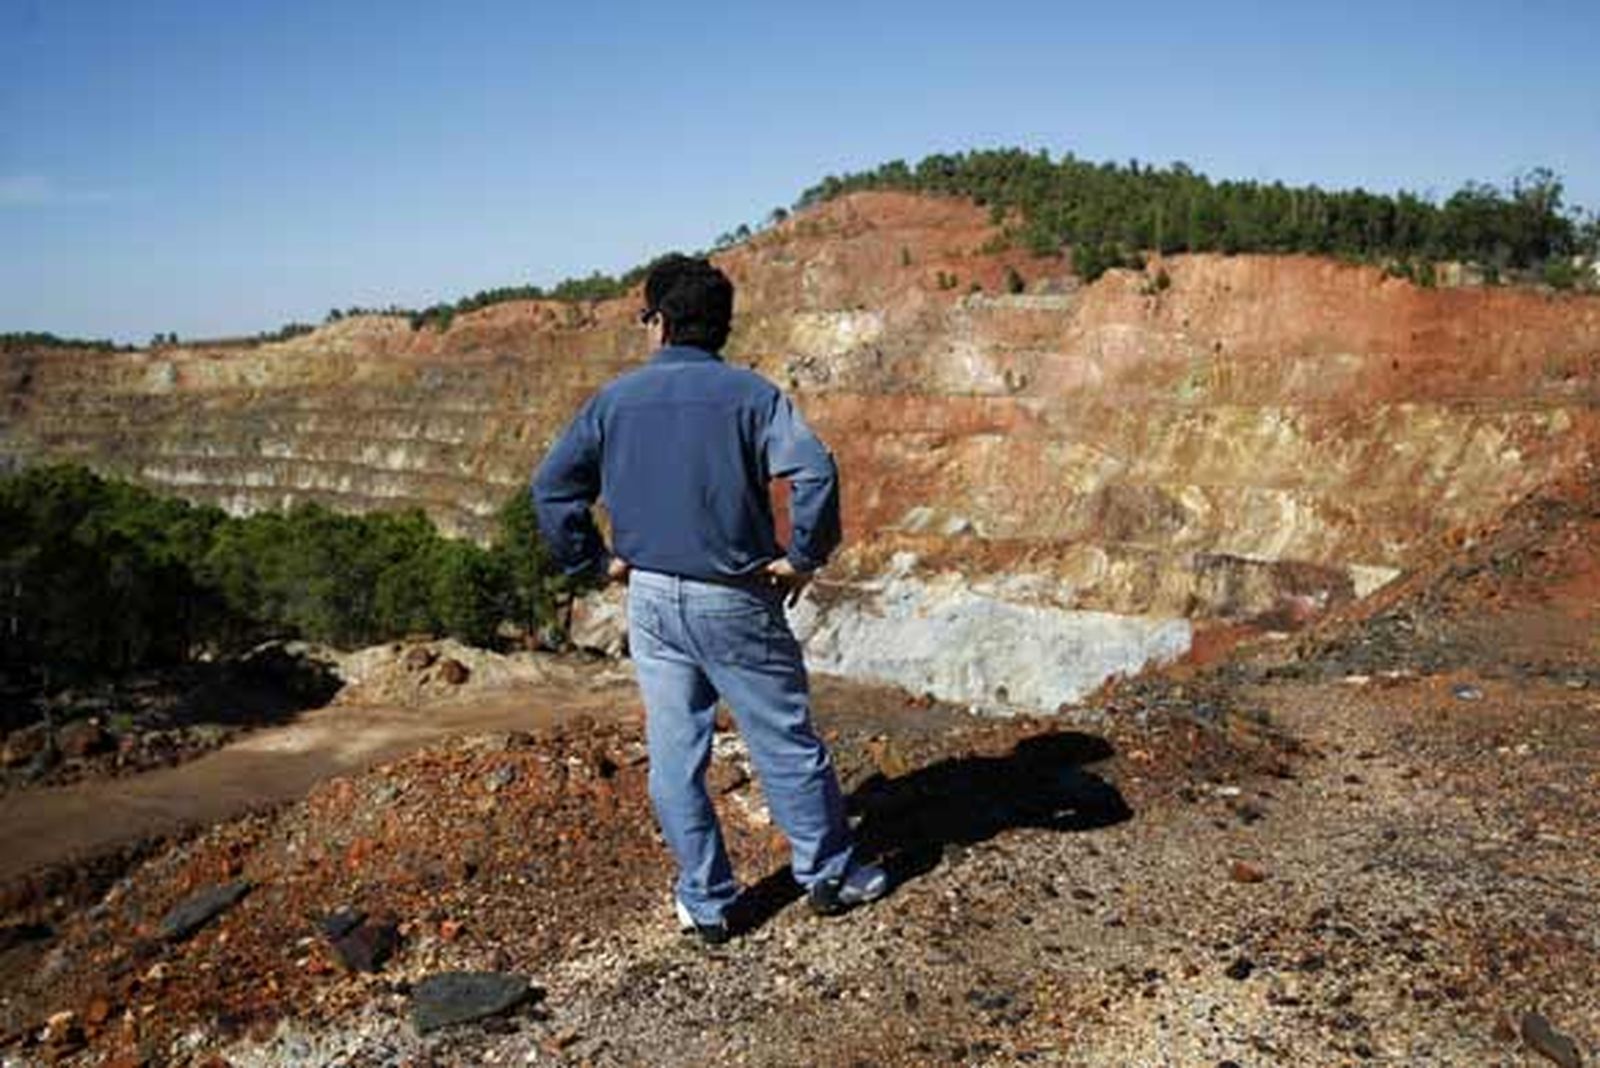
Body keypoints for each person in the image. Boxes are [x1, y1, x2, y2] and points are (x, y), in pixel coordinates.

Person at [532, 254, 887, 944]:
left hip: (650, 597)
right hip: (735, 597)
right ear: (719, 326)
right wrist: (803, 557)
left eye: (646, 318)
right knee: (783, 741)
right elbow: (814, 473)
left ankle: (707, 902)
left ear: (660, 323)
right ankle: (829, 875)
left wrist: (594, 562)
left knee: (675, 754)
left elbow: (552, 489)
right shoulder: (752, 395)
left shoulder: (614, 400)